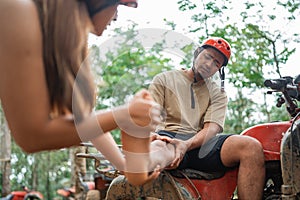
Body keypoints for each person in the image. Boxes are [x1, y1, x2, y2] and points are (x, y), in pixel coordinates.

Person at [0, 0, 163, 185]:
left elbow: (84, 118)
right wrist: (125, 116)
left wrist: (125, 165)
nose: (116, 16)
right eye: (118, 5)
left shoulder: (64, 39)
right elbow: (32, 136)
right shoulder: (16, 8)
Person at [148, 37, 266, 199]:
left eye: (217, 63)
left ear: (219, 69)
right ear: (197, 53)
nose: (210, 65)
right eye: (208, 57)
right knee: (156, 150)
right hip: (169, 137)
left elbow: (211, 128)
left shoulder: (218, 93)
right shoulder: (165, 79)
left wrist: (186, 145)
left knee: (250, 146)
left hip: (200, 144)